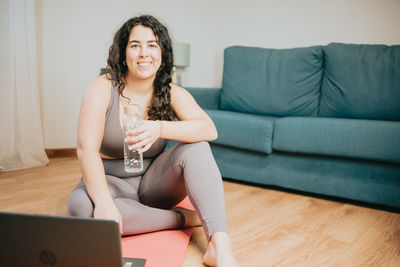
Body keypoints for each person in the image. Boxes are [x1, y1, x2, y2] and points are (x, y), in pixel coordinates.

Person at [67, 15, 239, 267]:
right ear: (123, 53)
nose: (144, 53)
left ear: (162, 53)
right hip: (110, 182)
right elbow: (86, 149)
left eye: (152, 45)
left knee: (197, 147)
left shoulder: (171, 92)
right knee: (82, 208)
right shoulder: (102, 87)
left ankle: (220, 247)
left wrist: (159, 128)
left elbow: (209, 130)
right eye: (135, 45)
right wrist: (104, 203)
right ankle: (182, 219)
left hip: (153, 184)